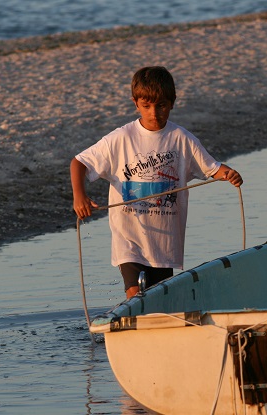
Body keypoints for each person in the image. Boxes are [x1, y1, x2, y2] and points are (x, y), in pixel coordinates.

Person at [71, 66, 243, 299]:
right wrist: (79, 195)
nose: (154, 113)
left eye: (161, 105)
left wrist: (229, 174)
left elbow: (212, 168)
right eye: (146, 106)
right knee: (135, 295)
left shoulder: (182, 139)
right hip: (130, 238)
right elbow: (79, 162)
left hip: (165, 243)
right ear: (135, 103)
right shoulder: (121, 138)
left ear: (172, 102)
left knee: (159, 300)